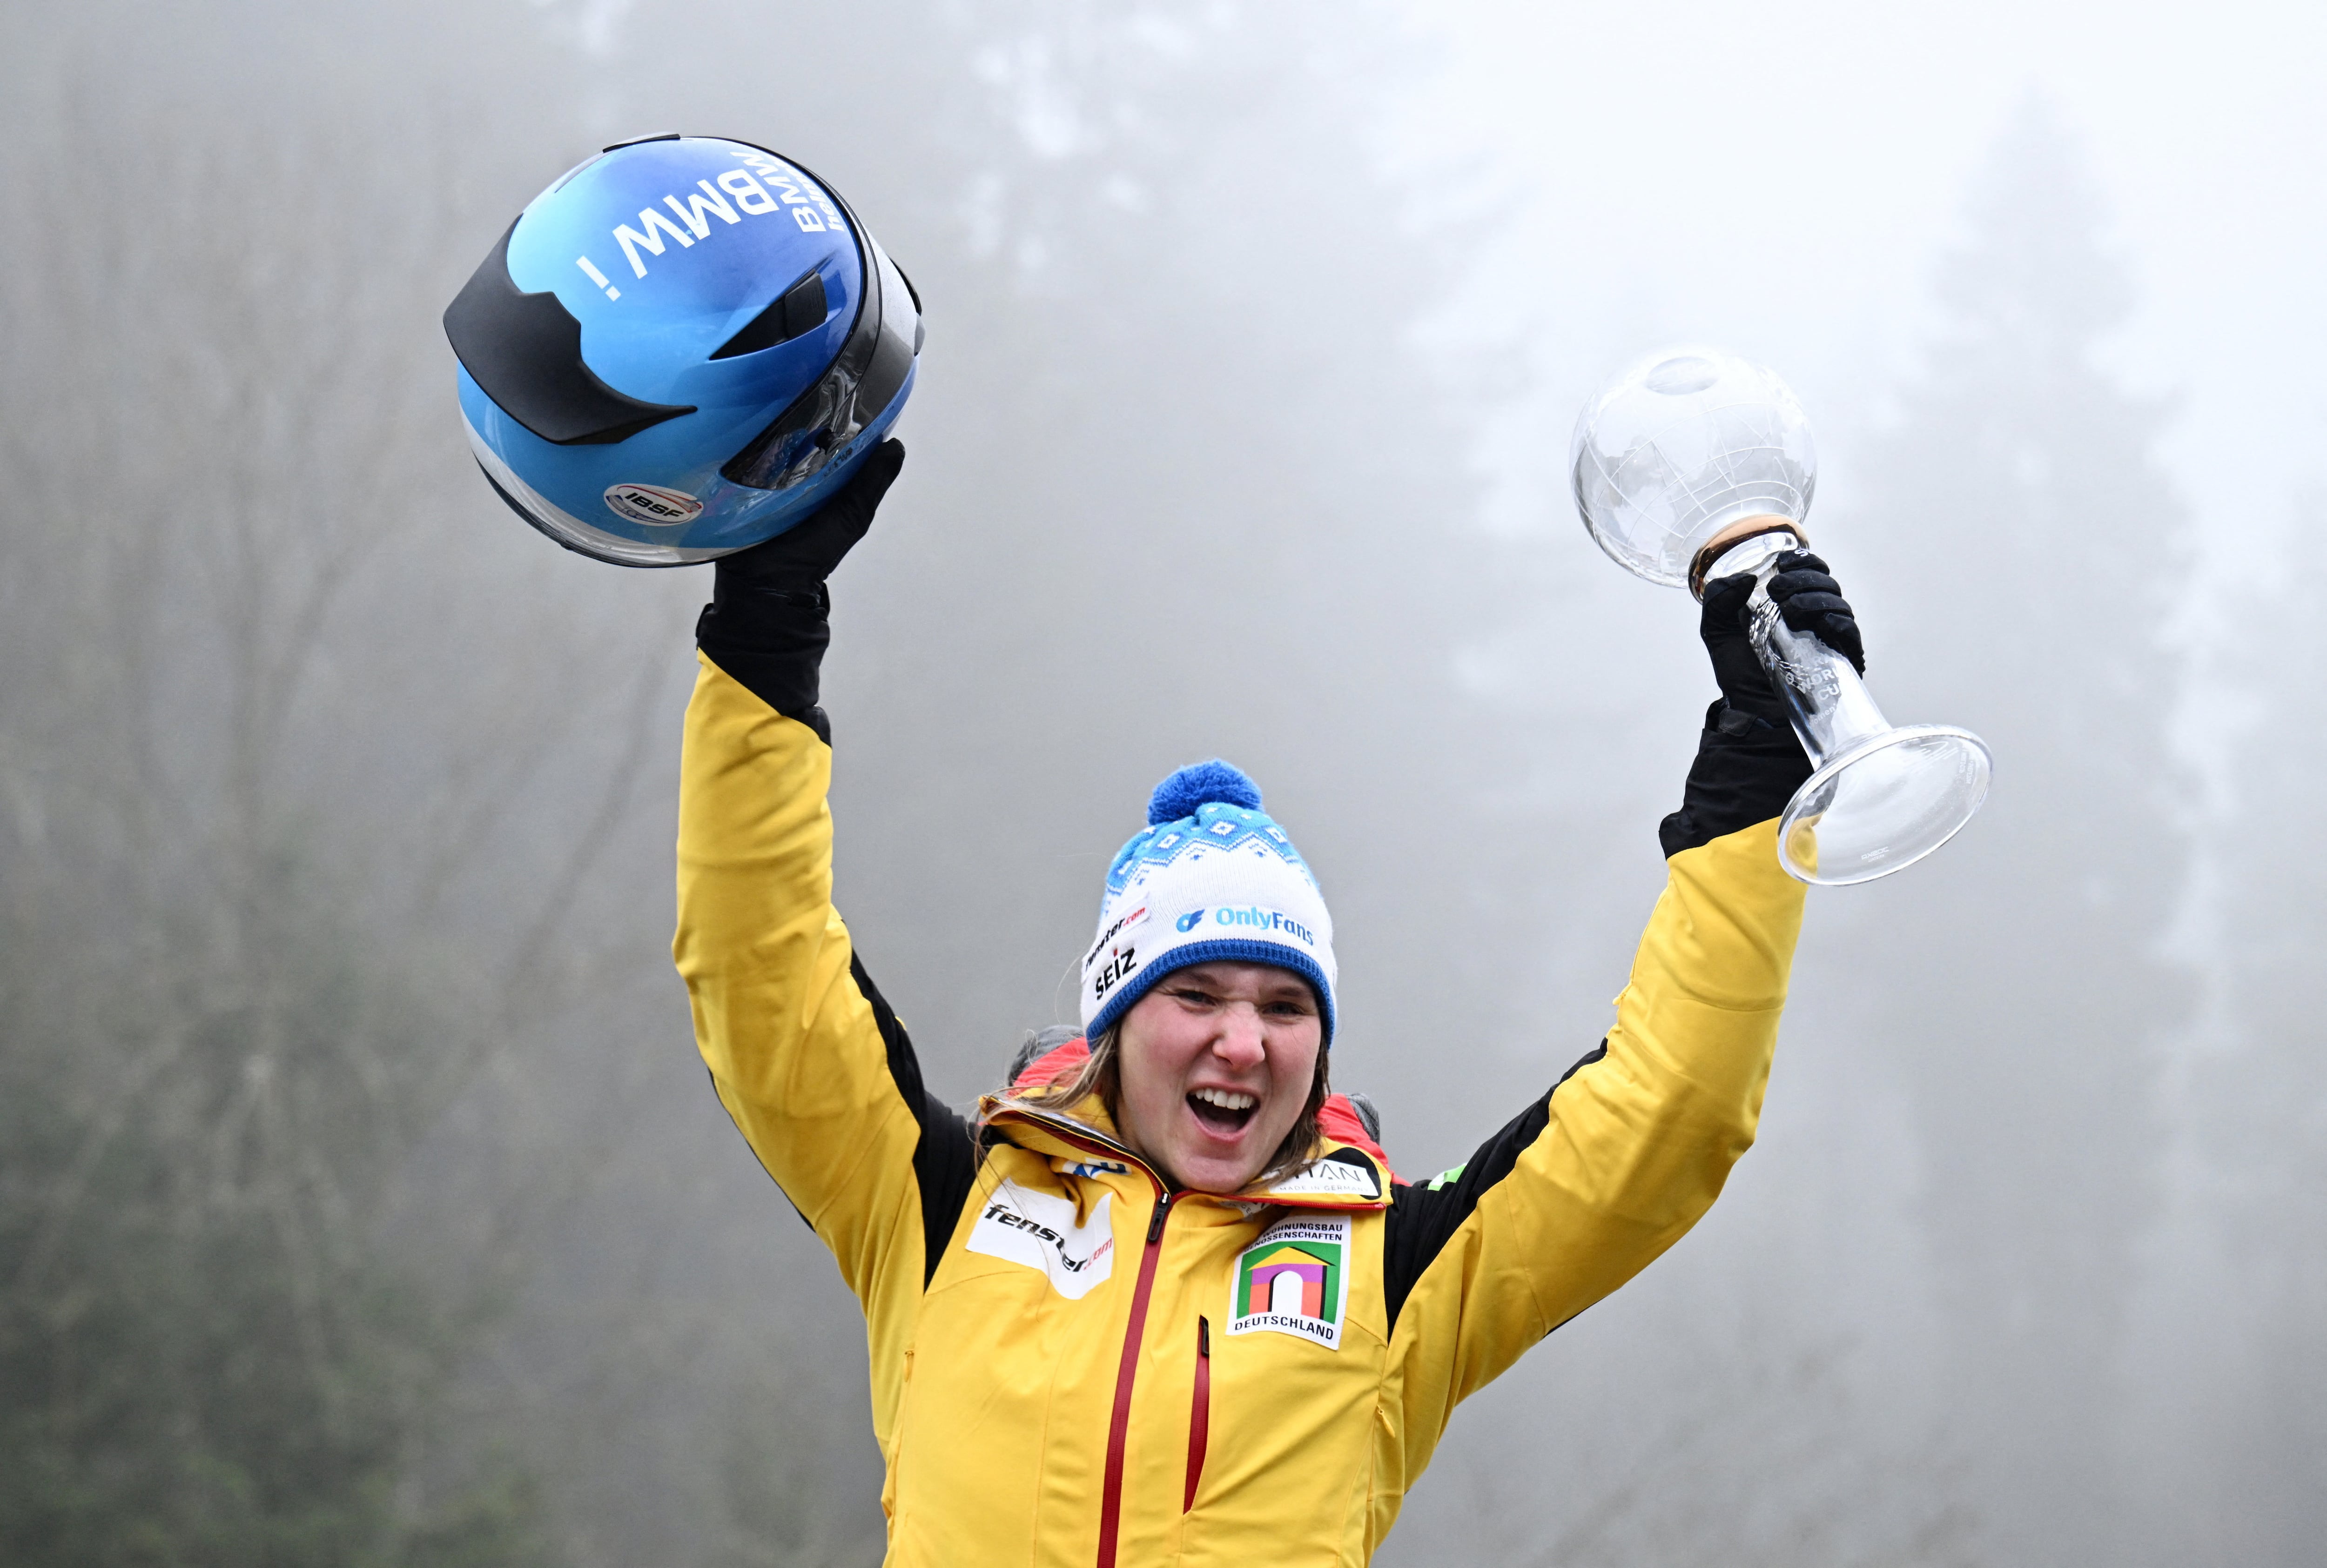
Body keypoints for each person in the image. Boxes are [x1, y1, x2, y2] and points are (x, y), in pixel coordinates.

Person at [673, 439, 1863, 1565]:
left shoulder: (1395, 1269)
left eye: (1286, 1006)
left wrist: (1758, 765)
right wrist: (766, 636)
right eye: (1195, 992)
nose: (1240, 1041)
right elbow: (760, 970)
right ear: (1114, 1020)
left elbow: (1671, 1111)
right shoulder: (943, 1202)